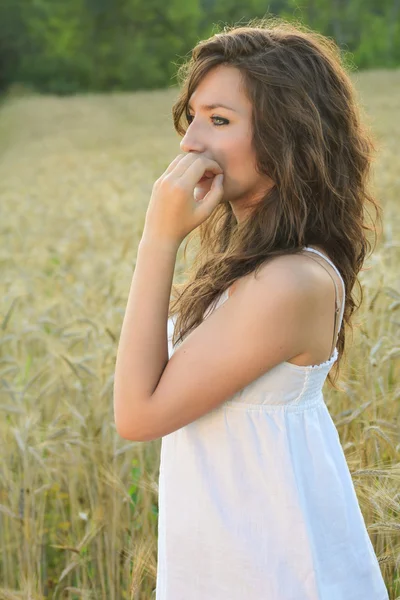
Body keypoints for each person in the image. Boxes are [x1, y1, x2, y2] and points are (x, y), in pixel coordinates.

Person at [113, 18, 388, 600]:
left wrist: (157, 240)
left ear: (287, 134)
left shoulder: (288, 280)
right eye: (192, 118)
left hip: (274, 570)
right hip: (233, 559)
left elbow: (137, 414)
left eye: (220, 120)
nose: (190, 143)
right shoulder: (251, 266)